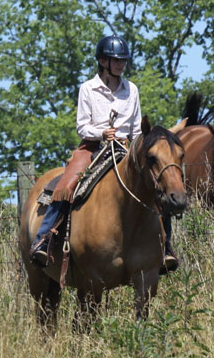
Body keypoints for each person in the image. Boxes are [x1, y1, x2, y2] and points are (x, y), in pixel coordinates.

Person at [29, 34, 177, 271]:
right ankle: (43, 241)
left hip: (127, 150)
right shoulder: (88, 88)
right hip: (92, 148)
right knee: (66, 186)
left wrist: (135, 144)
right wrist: (102, 134)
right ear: (102, 61)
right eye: (115, 60)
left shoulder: (132, 90)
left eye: (123, 60)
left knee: (159, 185)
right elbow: (81, 126)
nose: (120, 64)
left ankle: (165, 247)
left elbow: (138, 128)